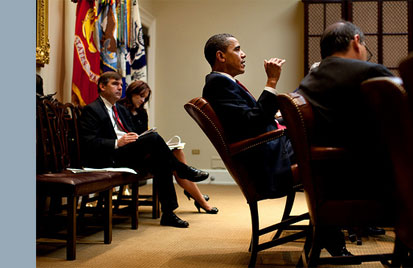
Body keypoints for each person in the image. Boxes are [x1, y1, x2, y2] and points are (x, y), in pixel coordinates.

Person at [202, 33, 351, 256]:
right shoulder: (218, 85)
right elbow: (254, 122)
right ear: (221, 56)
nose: (243, 54)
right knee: (328, 156)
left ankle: (335, 226)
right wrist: (271, 82)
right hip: (268, 163)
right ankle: (334, 232)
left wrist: (278, 119)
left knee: (330, 141)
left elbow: (251, 119)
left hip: (269, 150)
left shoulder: (223, 84)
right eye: (238, 49)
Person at [297, 21, 394, 235]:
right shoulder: (369, 72)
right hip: (369, 179)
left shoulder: (308, 81)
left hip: (328, 179)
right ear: (357, 41)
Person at [79, 71, 210, 228]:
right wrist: (116, 142)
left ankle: (168, 213)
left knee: (161, 162)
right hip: (109, 156)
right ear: (102, 86)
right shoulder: (92, 110)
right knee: (154, 139)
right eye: (115, 84)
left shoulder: (120, 109)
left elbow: (135, 132)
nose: (120, 88)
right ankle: (183, 170)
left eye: (121, 85)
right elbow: (87, 143)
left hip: (127, 153)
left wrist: (135, 138)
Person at [118, 80, 218, 214]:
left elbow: (143, 134)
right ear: (131, 93)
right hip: (131, 153)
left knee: (177, 151)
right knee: (172, 162)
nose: (143, 100)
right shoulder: (120, 109)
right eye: (140, 96)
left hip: (144, 150)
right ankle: (199, 197)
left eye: (145, 98)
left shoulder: (142, 113)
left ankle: (197, 195)